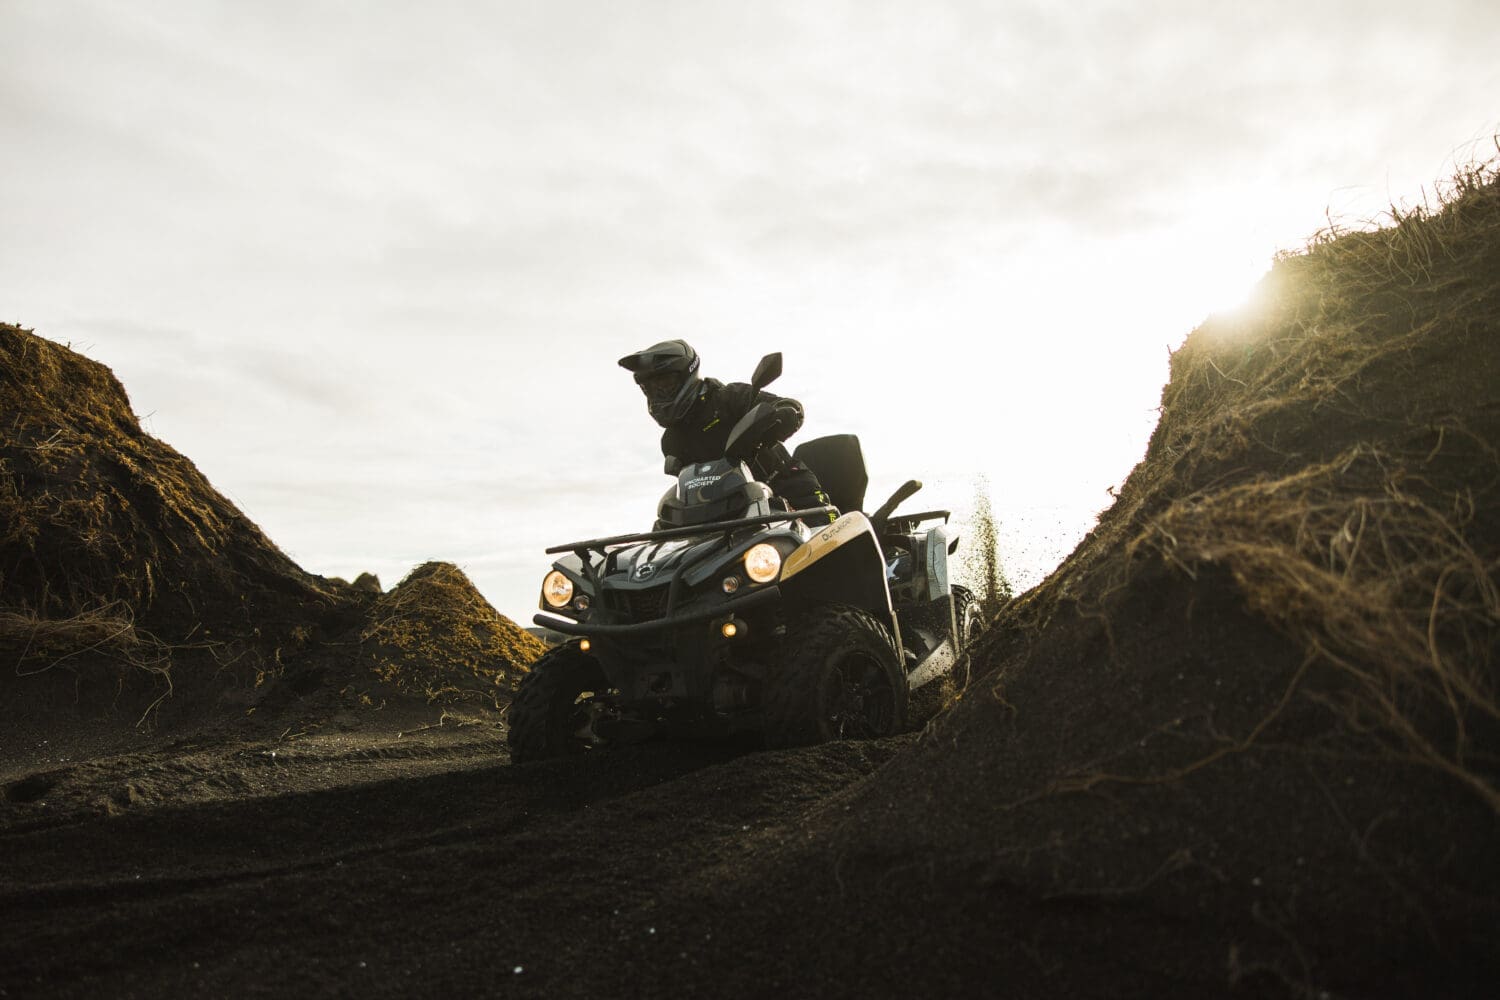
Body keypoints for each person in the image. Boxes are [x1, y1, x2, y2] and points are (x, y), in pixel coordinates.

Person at [618, 339, 834, 520]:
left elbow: (785, 405)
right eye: (650, 388)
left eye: (664, 384)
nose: (658, 393)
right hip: (728, 515)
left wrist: (786, 413)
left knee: (826, 533)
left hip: (784, 488)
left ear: (686, 374)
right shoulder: (671, 442)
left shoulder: (730, 398)